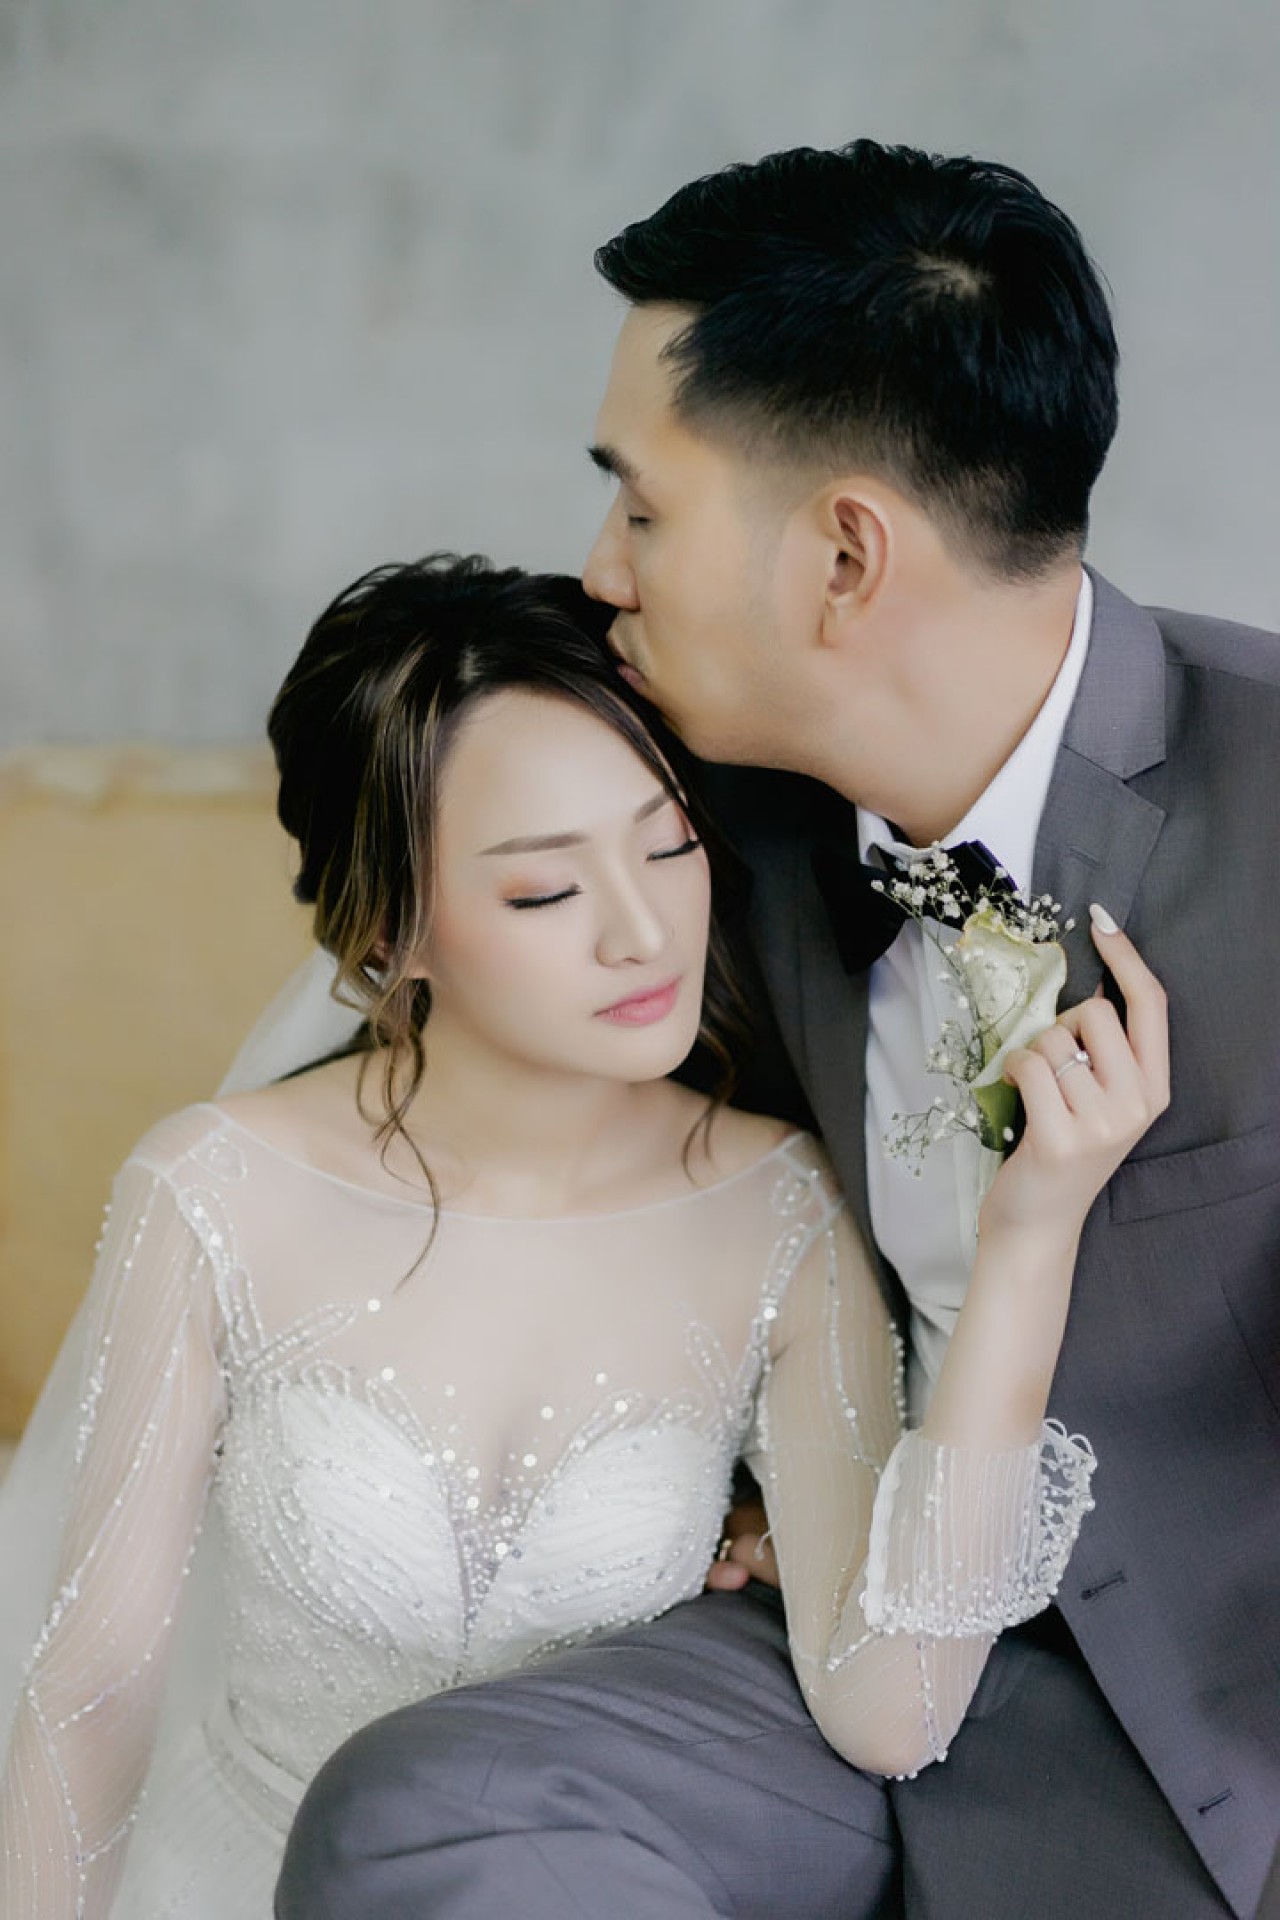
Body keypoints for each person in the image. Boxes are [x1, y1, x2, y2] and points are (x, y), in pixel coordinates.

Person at [278, 143, 1280, 1918]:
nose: (600, 570)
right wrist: (716, 1457)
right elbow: (441, 1169)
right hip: (839, 1632)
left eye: (642, 508)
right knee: (429, 1812)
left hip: (1226, 1711)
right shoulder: (661, 821)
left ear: (843, 554)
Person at [0, 553, 1162, 1917]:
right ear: (389, 933)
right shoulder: (215, 1190)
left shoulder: (778, 1208)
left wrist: (1031, 1238)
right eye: (546, 892)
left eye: (668, 846)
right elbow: (91, 1694)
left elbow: (891, 1708)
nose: (643, 933)